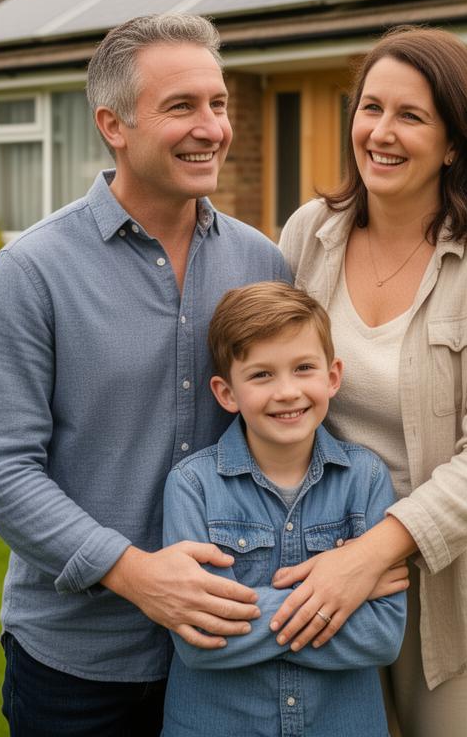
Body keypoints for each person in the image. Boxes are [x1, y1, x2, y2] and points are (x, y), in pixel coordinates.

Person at [0, 13, 292, 737]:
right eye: (181, 106)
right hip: (75, 665)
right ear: (113, 125)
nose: (211, 127)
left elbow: (289, 432)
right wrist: (136, 575)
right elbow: (0, 472)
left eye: (218, 103)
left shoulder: (261, 263)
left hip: (225, 651)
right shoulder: (32, 271)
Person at [276, 26, 467, 737]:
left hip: (460, 578)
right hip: (325, 561)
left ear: (455, 143)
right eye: (371, 108)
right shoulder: (309, 235)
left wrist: (369, 556)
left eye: (411, 116)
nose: (381, 132)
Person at [161, 281, 407, 737]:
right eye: (262, 375)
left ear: (332, 376)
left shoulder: (367, 478)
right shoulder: (192, 486)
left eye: (303, 368)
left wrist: (243, 617)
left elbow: (383, 636)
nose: (288, 391)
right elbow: (200, 639)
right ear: (226, 392)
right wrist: (335, 600)